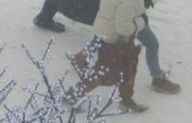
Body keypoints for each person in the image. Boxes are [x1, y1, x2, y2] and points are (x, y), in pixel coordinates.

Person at [33, 0, 181, 94]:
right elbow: (124, 27)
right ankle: (155, 79)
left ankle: (82, 57)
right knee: (110, 70)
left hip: (109, 20)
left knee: (104, 41)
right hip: (126, 20)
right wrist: (141, 21)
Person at [64, 0, 148, 112]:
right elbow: (123, 28)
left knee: (128, 70)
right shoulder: (129, 2)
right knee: (105, 74)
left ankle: (126, 99)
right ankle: (73, 95)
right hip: (115, 41)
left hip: (106, 33)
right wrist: (141, 22)